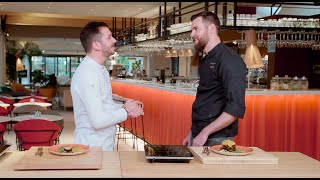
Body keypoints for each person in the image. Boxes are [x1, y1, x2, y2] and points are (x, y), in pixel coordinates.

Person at [71, 21, 144, 151]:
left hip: (103, 145)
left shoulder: (100, 69)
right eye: (109, 37)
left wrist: (124, 106)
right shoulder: (88, 73)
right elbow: (98, 121)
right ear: (96, 45)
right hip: (92, 149)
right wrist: (125, 111)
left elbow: (103, 103)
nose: (114, 40)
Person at [183, 11, 246, 147]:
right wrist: (192, 132)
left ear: (211, 29)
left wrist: (205, 132)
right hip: (200, 135)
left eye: (196, 29)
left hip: (217, 139)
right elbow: (206, 99)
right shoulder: (206, 59)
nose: (192, 34)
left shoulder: (230, 60)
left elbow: (235, 109)